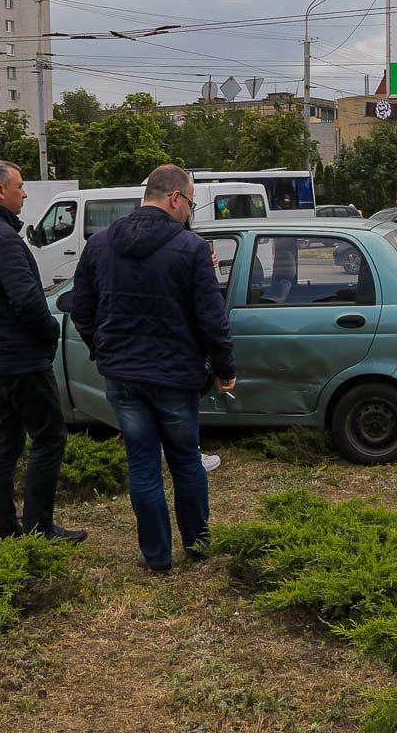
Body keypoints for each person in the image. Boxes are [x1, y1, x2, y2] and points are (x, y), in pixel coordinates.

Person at [70, 164, 235, 574]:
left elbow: (80, 308)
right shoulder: (192, 248)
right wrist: (224, 367)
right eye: (190, 203)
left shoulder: (100, 244)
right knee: (185, 462)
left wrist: (102, 349)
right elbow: (212, 318)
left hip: (123, 375)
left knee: (141, 465)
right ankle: (197, 546)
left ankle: (157, 557)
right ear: (174, 198)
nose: (190, 212)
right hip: (176, 376)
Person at [0, 160, 87, 544]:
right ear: (0, 190)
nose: (25, 193)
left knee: (4, 438)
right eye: (20, 186)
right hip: (19, 357)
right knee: (48, 437)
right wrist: (49, 332)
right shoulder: (1, 237)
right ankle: (39, 527)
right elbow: (26, 300)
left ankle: (2, 526)